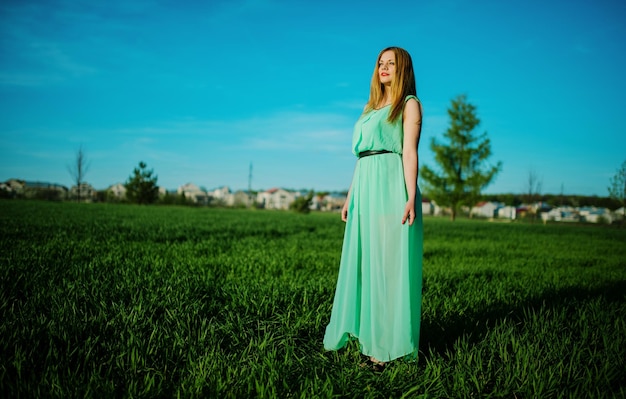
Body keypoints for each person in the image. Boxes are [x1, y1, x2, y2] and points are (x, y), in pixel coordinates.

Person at [323, 46, 423, 371]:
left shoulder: (408, 105)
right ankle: (367, 334)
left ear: (402, 68)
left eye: (390, 63)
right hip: (366, 188)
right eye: (380, 63)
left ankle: (385, 348)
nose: (383, 68)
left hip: (391, 189)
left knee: (387, 268)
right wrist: (350, 198)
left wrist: (409, 197)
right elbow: (362, 159)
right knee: (366, 266)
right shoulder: (368, 108)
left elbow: (409, 153)